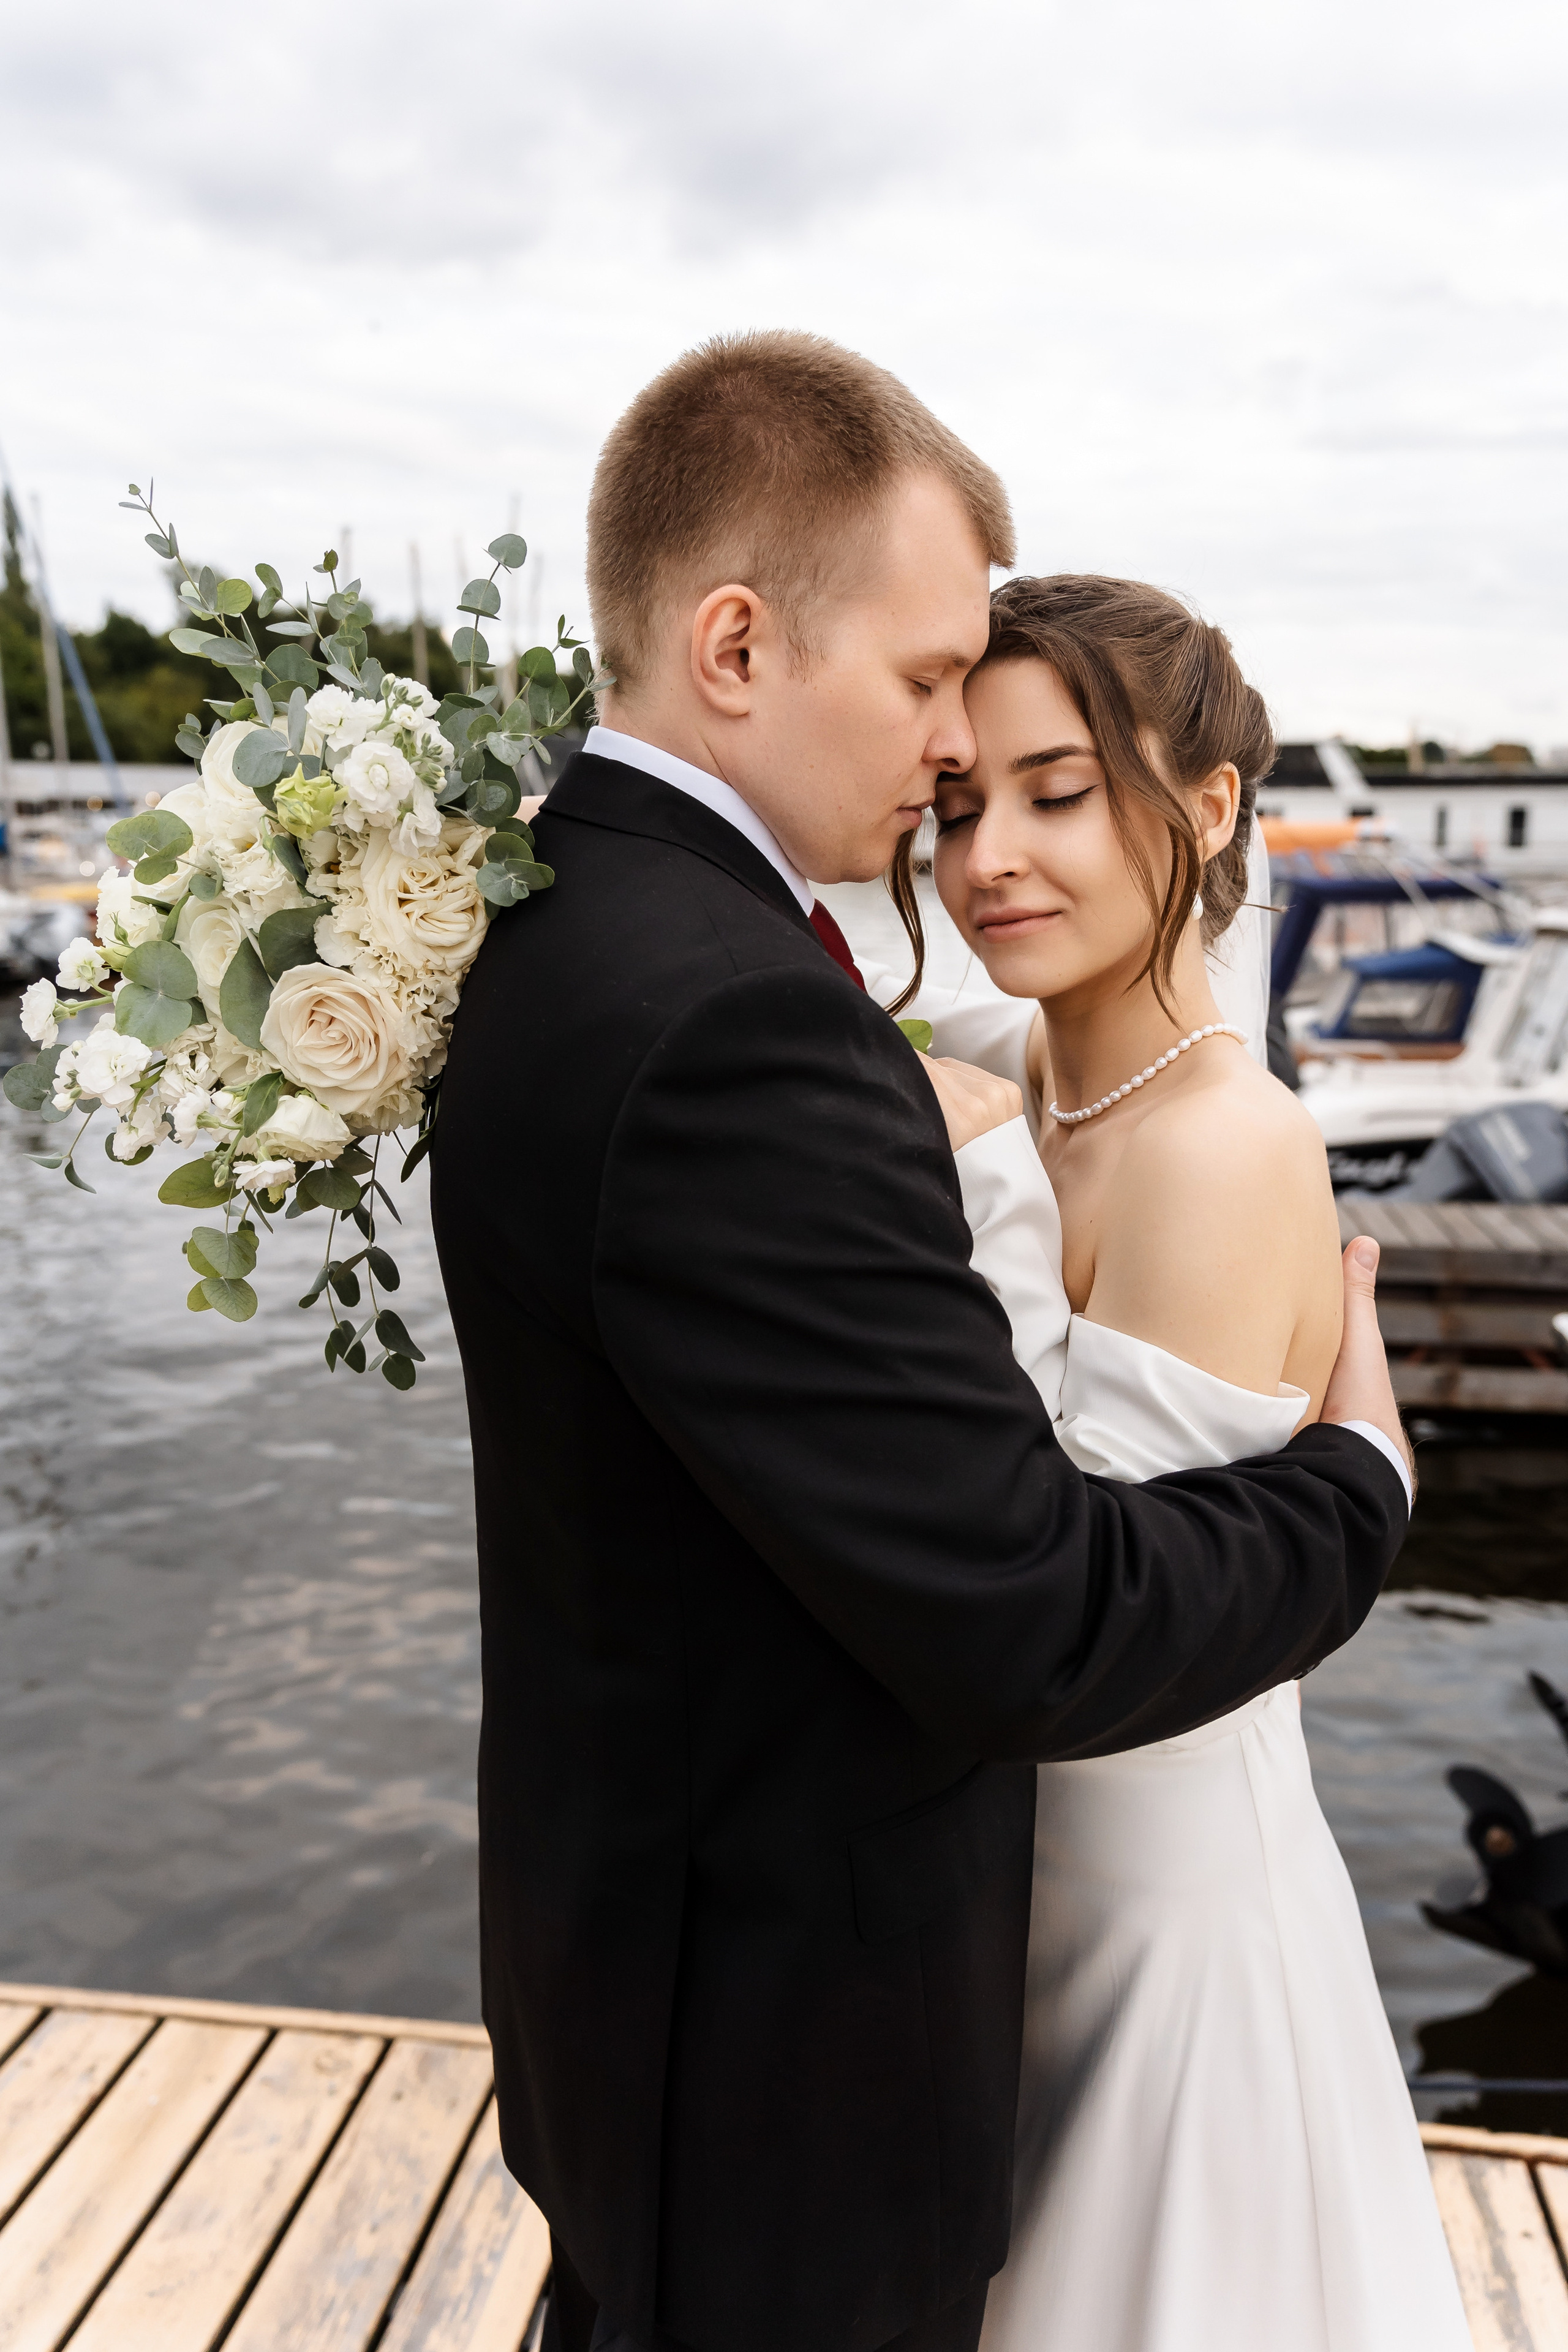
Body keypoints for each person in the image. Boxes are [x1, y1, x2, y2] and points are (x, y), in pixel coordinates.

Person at [429, 332, 1412, 2352]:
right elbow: (1035, 1613)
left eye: (1049, 783)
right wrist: (1361, 1486)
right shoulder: (744, 1024)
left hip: (890, 1935)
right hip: (792, 2000)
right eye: (933, 719)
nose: (962, 829)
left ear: (1205, 811)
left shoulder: (567, 925)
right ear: (732, 647)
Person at [893, 573, 1468, 2351]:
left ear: (1206, 809)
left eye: (1059, 793)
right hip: (1011, 1899)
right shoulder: (1010, 1062)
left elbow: (1087, 1600)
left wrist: (981, 1180)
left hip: (1163, 1910)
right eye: (962, 803)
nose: (994, 855)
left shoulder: (1230, 1144)